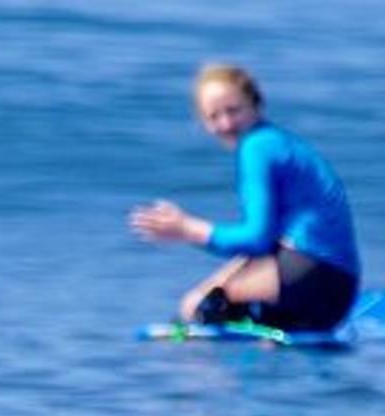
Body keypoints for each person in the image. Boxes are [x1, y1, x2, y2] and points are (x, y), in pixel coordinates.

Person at [129, 64, 361, 332]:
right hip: (338, 291)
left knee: (199, 309)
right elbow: (268, 243)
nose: (226, 123)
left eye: (233, 110)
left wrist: (187, 229)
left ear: (255, 104)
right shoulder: (276, 141)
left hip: (312, 278)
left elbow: (256, 239)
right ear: (203, 121)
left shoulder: (257, 147)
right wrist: (212, 284)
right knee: (200, 300)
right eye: (214, 116)